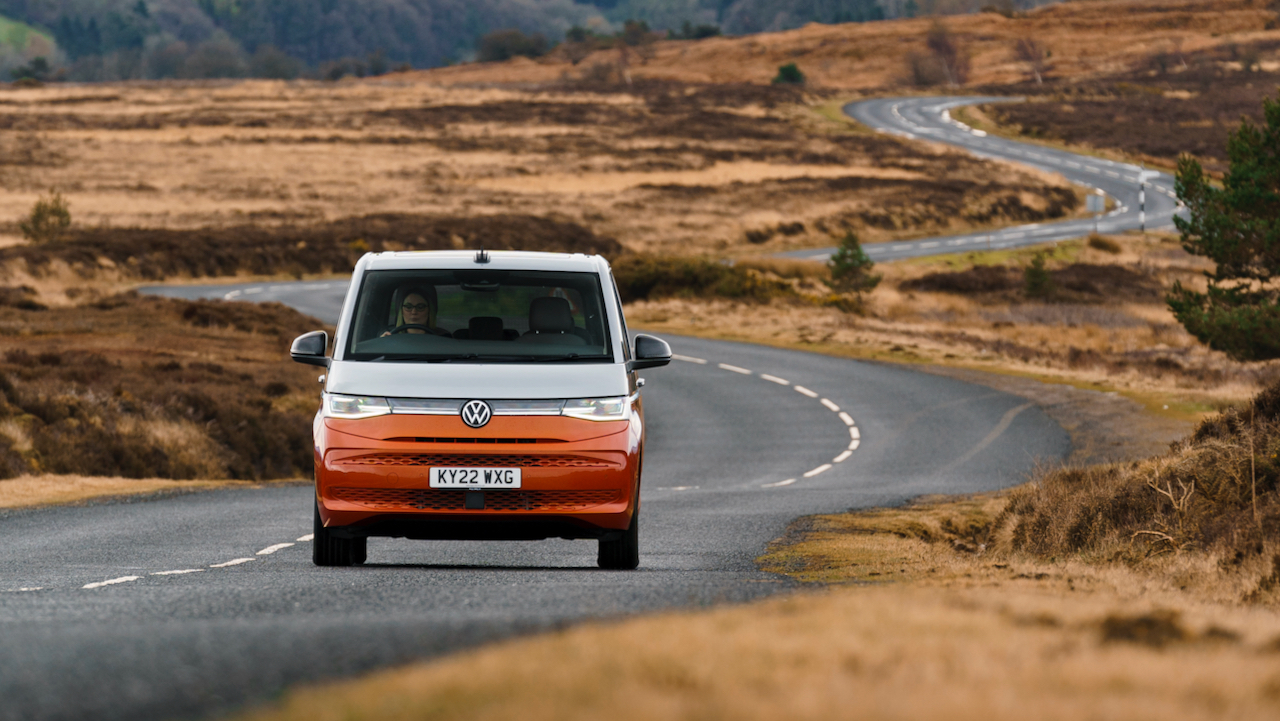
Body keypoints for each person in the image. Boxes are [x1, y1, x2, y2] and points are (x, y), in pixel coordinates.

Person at [381, 287, 448, 336]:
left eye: (420, 307)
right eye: (408, 307)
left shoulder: (443, 338)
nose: (414, 312)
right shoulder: (390, 337)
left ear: (429, 311)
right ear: (401, 311)